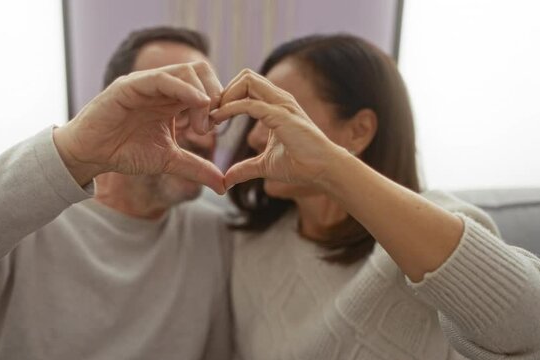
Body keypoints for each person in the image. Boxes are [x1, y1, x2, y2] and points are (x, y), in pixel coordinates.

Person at [0, 27, 232, 359]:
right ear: (117, 104)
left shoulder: (214, 233)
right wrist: (70, 155)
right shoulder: (30, 204)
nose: (204, 139)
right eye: (176, 108)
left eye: (211, 115)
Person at [211, 34, 540, 359]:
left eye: (279, 116)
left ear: (359, 130)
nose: (253, 136)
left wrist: (331, 166)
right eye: (256, 118)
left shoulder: (434, 225)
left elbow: (527, 328)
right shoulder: (249, 244)